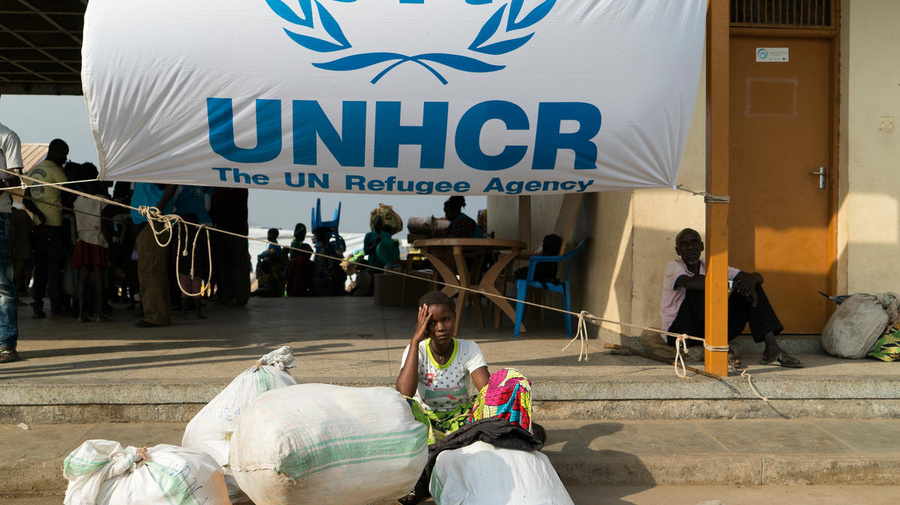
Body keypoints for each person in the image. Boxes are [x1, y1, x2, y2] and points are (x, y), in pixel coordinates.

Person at [396, 290, 490, 505]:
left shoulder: (468, 348)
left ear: (454, 318)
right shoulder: (417, 350)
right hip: (426, 419)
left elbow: (486, 389)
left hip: (459, 417)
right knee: (405, 413)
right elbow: (404, 392)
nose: (440, 328)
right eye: (432, 322)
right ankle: (421, 483)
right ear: (423, 325)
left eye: (446, 319)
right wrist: (414, 340)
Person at [660, 228, 803, 368]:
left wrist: (751, 280)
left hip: (711, 329)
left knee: (752, 287)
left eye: (694, 242)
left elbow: (757, 277)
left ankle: (771, 349)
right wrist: (733, 284)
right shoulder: (673, 266)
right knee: (702, 285)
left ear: (702, 246)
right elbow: (690, 284)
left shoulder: (710, 264)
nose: (690, 247)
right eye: (684, 244)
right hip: (679, 332)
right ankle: (720, 348)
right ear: (678, 251)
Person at [23, 138, 69, 319]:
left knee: (40, 270)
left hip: (38, 229)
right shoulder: (57, 172)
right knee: (54, 270)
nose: (65, 159)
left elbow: (26, 199)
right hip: (53, 227)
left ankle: (37, 308)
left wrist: (38, 214)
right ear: (56, 152)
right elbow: (68, 198)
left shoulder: (34, 170)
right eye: (64, 155)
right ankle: (56, 309)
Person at [130, 183, 177, 327]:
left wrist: (159, 209)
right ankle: (158, 314)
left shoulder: (153, 165)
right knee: (152, 270)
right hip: (146, 222)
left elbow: (171, 184)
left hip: (151, 222)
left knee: (150, 271)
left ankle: (155, 316)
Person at [72, 180, 112, 322]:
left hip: (82, 239)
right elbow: (106, 224)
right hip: (97, 239)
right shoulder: (102, 200)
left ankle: (81, 313)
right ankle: (100, 314)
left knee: (83, 278)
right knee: (99, 277)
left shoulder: (77, 200)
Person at [0, 119, 22, 362]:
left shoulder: (7, 136)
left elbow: (16, 179)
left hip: (0, 216)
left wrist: (2, 183)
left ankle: (6, 344)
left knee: (2, 286)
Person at [208, 187, 250, 307]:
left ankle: (238, 297)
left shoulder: (238, 185)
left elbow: (233, 208)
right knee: (224, 265)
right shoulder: (219, 187)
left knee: (237, 265)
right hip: (223, 229)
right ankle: (226, 296)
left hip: (234, 230)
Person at [176, 213, 209, 320]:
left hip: (190, 268)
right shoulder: (185, 236)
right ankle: (189, 313)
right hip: (188, 267)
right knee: (192, 291)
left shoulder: (192, 235)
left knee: (191, 291)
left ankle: (187, 314)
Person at [312, 226, 346, 296]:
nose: (316, 236)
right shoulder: (325, 248)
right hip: (322, 279)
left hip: (326, 280)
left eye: (318, 234)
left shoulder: (327, 249)